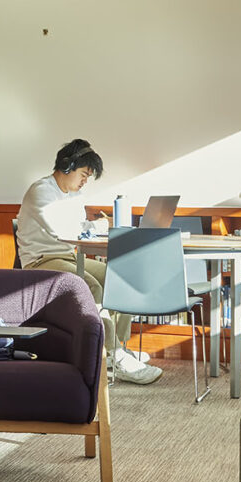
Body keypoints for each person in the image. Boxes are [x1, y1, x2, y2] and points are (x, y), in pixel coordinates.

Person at [14, 138, 161, 385]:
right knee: (91, 286)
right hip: (41, 261)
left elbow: (81, 228)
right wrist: (99, 225)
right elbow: (63, 230)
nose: (85, 181)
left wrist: (95, 226)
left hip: (70, 256)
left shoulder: (74, 194)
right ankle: (111, 354)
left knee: (120, 278)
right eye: (83, 174)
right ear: (67, 165)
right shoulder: (41, 191)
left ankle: (119, 348)